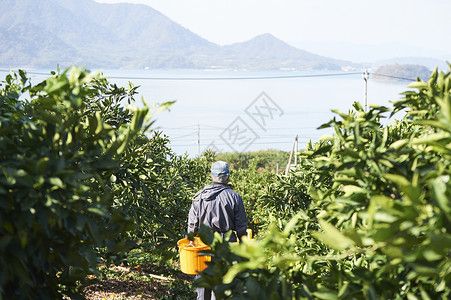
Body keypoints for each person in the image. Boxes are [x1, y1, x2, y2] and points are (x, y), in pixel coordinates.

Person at [187, 161, 248, 300]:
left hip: (203, 243)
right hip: (226, 243)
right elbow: (241, 226)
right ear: (228, 177)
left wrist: (191, 241)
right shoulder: (234, 197)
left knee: (203, 280)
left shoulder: (199, 196)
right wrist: (243, 244)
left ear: (211, 176)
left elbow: (193, 224)